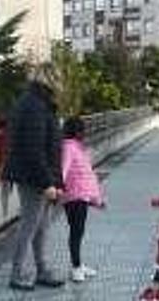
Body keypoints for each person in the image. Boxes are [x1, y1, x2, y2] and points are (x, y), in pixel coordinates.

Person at [3, 74, 64, 291]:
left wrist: (57, 182)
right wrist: (47, 182)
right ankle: (17, 274)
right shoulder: (33, 106)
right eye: (59, 78)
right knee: (29, 226)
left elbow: (51, 147)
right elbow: (33, 150)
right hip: (32, 176)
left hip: (40, 175)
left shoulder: (41, 102)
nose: (62, 83)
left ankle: (41, 270)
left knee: (41, 226)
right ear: (49, 81)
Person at [60, 116, 105, 282]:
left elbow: (87, 175)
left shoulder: (78, 148)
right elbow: (63, 170)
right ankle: (76, 267)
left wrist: (95, 199)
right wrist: (58, 188)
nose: (84, 133)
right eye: (82, 130)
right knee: (76, 231)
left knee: (79, 232)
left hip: (82, 196)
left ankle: (79, 264)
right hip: (73, 196)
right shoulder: (68, 148)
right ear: (76, 131)